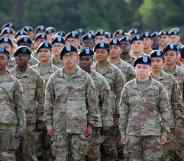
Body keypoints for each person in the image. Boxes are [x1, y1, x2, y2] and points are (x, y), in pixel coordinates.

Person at [44, 44, 101, 161]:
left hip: (80, 126)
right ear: (61, 59)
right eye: (66, 56)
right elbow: (48, 103)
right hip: (59, 126)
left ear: (77, 58)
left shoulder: (85, 78)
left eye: (72, 55)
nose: (69, 58)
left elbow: (92, 103)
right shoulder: (54, 78)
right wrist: (49, 124)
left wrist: (91, 125)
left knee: (78, 157)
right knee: (60, 157)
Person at [120, 54, 171, 161]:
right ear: (134, 69)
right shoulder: (128, 87)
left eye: (145, 67)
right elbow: (123, 112)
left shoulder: (158, 87)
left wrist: (165, 132)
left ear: (150, 70)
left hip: (152, 132)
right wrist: (123, 133)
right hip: (133, 133)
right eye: (139, 67)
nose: (142, 70)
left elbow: (165, 110)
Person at [92, 42, 125, 161]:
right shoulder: (89, 69)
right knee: (93, 147)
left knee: (109, 147)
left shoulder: (116, 72)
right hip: (93, 114)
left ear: (108, 53)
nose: (99, 54)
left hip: (109, 114)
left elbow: (121, 95)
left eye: (103, 52)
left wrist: (117, 115)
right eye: (97, 52)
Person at [11, 46, 44, 161]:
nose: (21, 58)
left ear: (29, 58)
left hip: (29, 120)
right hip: (12, 120)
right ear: (14, 58)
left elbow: (41, 99)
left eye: (24, 56)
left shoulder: (36, 76)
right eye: (18, 56)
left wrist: (40, 118)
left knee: (29, 152)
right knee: (12, 153)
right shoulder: (9, 75)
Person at [79, 47, 113, 161]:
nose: (85, 62)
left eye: (88, 59)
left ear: (92, 60)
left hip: (94, 124)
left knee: (93, 154)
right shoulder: (71, 77)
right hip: (74, 123)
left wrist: (106, 124)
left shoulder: (100, 80)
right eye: (82, 59)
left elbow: (107, 103)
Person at [0, 47, 26, 161]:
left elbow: (20, 106)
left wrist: (21, 127)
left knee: (7, 156)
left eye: (2, 58)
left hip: (7, 126)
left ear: (7, 60)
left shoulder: (14, 82)